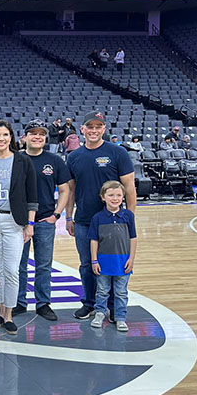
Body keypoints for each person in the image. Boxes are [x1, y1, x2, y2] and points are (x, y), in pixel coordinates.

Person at [65, 110, 136, 321]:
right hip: (84, 221)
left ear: (104, 129)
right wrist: (68, 217)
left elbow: (129, 187)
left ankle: (113, 307)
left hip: (113, 221)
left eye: (98, 127)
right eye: (90, 127)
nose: (94, 130)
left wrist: (129, 217)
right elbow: (71, 189)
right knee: (87, 264)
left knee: (113, 264)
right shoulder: (74, 157)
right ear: (82, 129)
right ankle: (89, 303)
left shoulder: (117, 152)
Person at [0, 120, 37, 335]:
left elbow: (32, 195)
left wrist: (30, 223)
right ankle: (1, 312)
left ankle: (10, 314)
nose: (1, 139)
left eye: (5, 134)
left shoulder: (22, 161)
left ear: (11, 137)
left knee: (12, 270)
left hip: (14, 222)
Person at [13, 120, 70, 321]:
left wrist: (56, 215)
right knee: (18, 265)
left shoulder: (54, 160)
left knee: (44, 265)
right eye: (33, 133)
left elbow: (65, 190)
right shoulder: (15, 159)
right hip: (19, 222)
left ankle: (43, 303)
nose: (37, 137)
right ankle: (19, 302)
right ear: (24, 137)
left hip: (45, 220)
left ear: (45, 137)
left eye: (41, 134)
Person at [89, 181, 137, 333]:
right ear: (103, 197)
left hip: (122, 262)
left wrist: (131, 259)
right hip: (103, 262)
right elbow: (94, 240)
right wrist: (94, 260)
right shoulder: (98, 218)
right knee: (102, 290)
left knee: (121, 292)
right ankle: (100, 313)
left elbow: (133, 238)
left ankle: (120, 317)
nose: (115, 198)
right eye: (111, 195)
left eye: (118, 195)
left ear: (123, 197)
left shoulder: (128, 216)